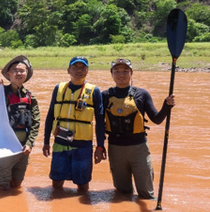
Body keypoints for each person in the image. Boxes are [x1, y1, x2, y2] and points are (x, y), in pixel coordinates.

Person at [102, 58, 175, 199]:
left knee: (146, 193)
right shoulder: (105, 95)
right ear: (111, 74)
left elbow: (157, 119)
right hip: (115, 148)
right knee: (122, 194)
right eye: (116, 71)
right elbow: (99, 123)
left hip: (139, 148)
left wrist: (167, 106)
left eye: (125, 71)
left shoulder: (142, 94)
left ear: (131, 73)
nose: (121, 75)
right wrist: (100, 146)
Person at [43, 56, 105, 191]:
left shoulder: (94, 91)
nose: (79, 71)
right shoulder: (59, 88)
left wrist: (100, 147)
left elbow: (100, 121)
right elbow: (50, 116)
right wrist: (46, 142)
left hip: (83, 145)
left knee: (82, 184)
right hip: (60, 143)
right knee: (57, 182)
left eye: (82, 68)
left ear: (87, 71)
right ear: (68, 70)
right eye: (75, 68)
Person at [0, 55, 40, 189]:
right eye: (15, 70)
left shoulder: (30, 97)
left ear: (26, 74)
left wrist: (29, 144)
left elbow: (36, 123)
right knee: (1, 187)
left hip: (23, 149)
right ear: (8, 74)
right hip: (5, 148)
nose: (18, 73)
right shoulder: (0, 93)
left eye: (22, 71)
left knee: (17, 184)